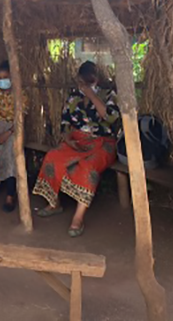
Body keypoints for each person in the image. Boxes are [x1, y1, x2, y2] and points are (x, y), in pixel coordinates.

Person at [33, 61, 120, 237]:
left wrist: (92, 96)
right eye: (82, 82)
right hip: (76, 142)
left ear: (97, 79)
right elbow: (65, 122)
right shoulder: (73, 97)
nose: (85, 86)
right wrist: (67, 139)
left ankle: (78, 218)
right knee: (52, 156)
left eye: (89, 81)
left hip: (102, 143)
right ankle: (54, 203)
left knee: (88, 168)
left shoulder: (109, 95)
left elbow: (110, 117)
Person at [0, 60, 27, 213]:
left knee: (11, 152)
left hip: (13, 129)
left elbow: (20, 119)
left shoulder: (20, 94)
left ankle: (10, 195)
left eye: (5, 77)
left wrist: (7, 134)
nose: (2, 80)